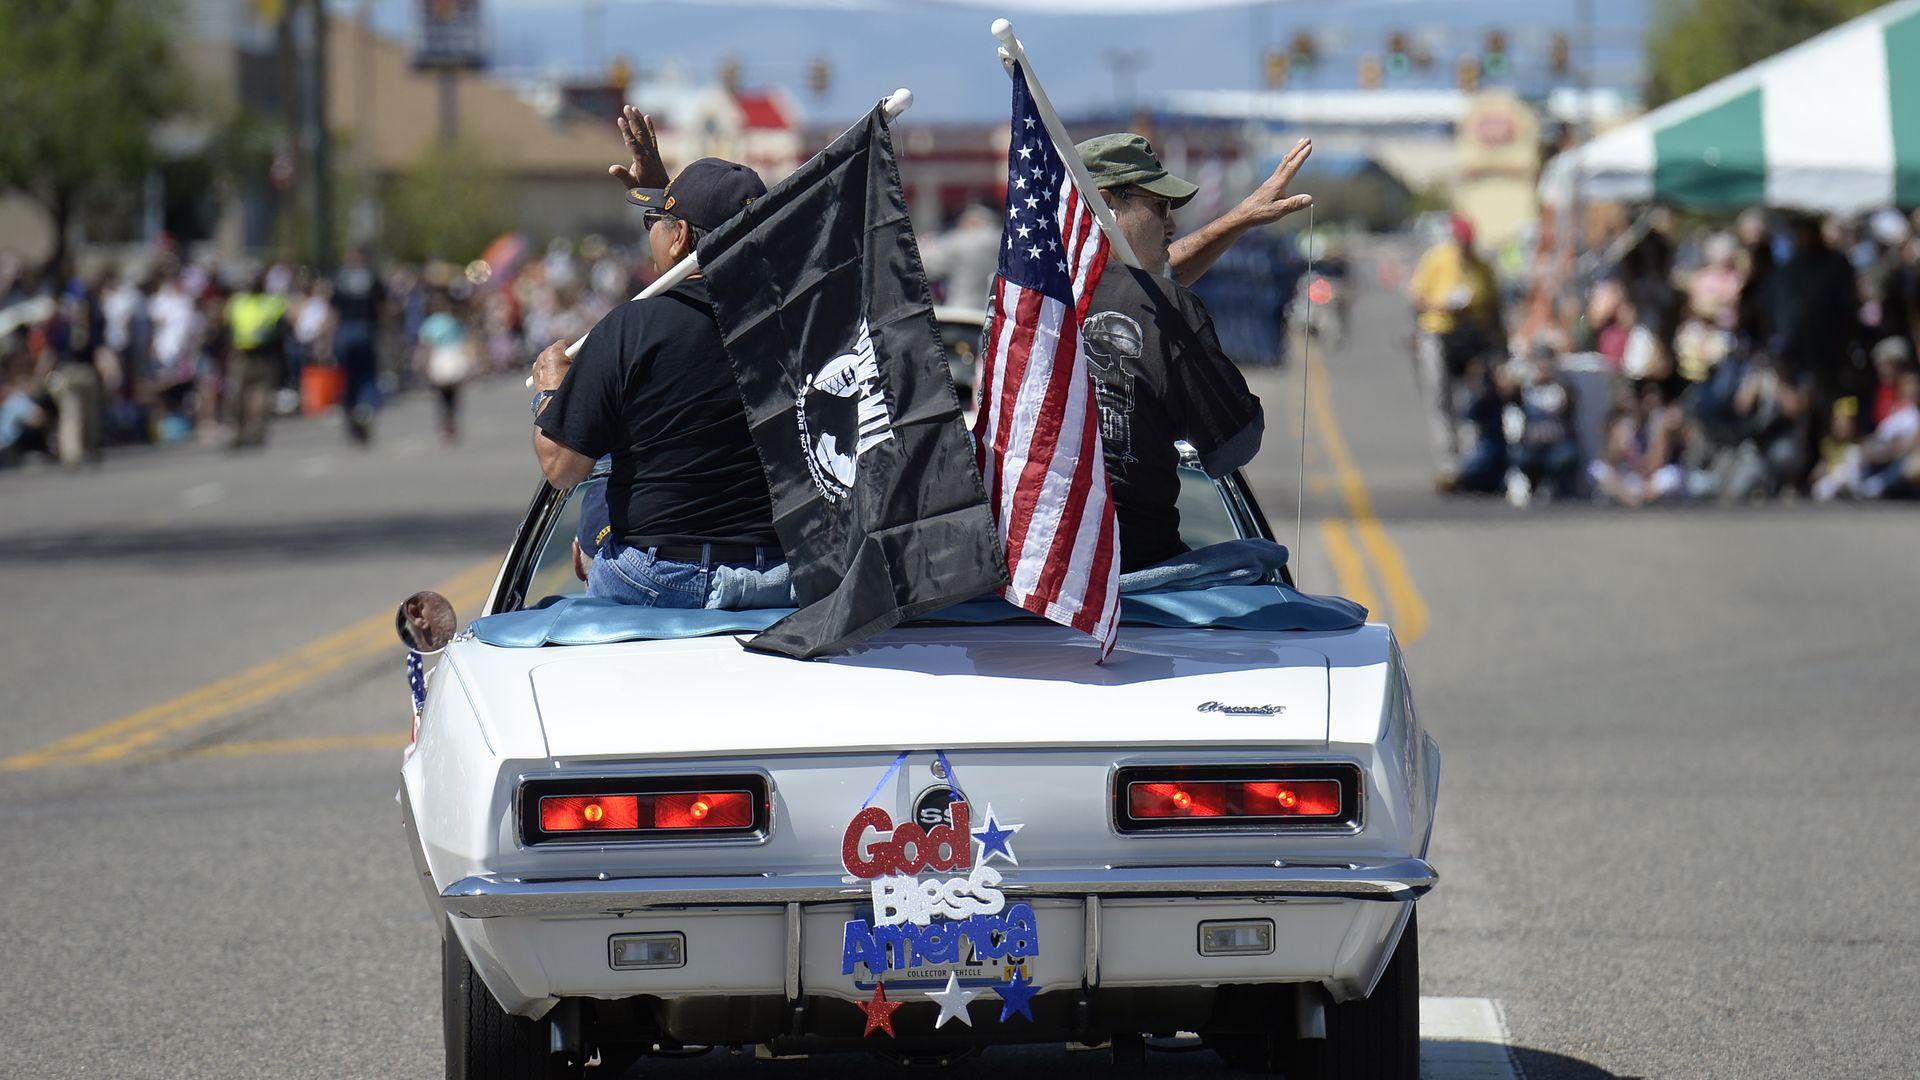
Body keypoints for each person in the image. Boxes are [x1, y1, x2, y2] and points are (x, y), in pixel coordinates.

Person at [529, 157, 789, 610]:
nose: (651, 232)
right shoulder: (794, 324)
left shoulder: (631, 328)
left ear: (680, 236)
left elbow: (563, 467)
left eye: (657, 221)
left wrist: (551, 393)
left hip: (660, 577)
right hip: (784, 573)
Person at [1071, 133, 1292, 573]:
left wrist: (1240, 218)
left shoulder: (1013, 306)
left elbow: (1151, 281)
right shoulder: (1165, 305)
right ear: (1107, 204)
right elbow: (1233, 445)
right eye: (1160, 208)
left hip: (1026, 577)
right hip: (1135, 572)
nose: (1171, 225)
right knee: (1264, 566)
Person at [1409, 214, 1502, 488]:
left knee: (1471, 400)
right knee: (1440, 398)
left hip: (1473, 338)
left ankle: (1473, 463)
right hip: (1438, 333)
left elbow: (1494, 307)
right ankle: (1448, 464)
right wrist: (1443, 305)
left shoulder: (1482, 266)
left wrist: (1498, 343)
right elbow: (1418, 297)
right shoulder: (1436, 259)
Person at [223, 270, 287, 449]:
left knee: (260, 396)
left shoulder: (269, 304)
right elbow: (227, 329)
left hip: (262, 356)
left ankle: (255, 432)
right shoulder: (239, 303)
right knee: (239, 397)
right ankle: (242, 433)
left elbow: (280, 331)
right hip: (245, 355)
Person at [330, 246, 385, 445]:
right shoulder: (371, 277)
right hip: (365, 329)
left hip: (346, 331)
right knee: (367, 373)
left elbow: (333, 310)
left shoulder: (341, 278)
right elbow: (383, 306)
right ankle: (365, 406)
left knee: (349, 375)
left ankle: (355, 407)